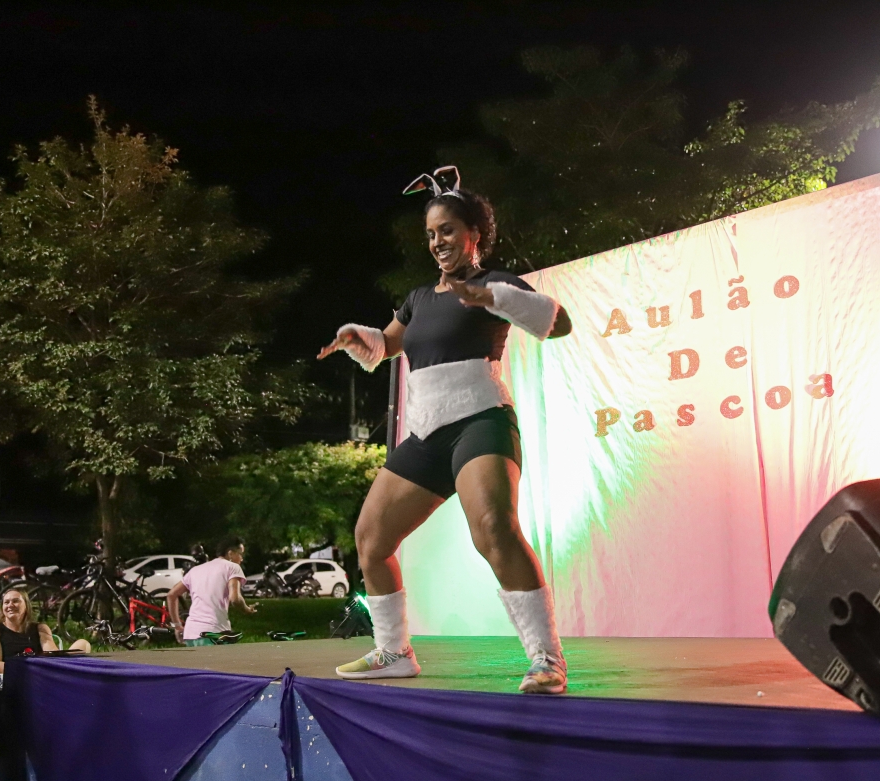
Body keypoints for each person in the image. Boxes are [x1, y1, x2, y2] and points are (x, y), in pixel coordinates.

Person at [317, 166, 574, 694]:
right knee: (370, 540)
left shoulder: (493, 283)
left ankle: (547, 660)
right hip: (426, 433)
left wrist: (494, 298)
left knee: (493, 528)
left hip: (480, 420)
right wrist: (357, 336)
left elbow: (559, 323)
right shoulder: (418, 298)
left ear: (474, 234)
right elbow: (389, 344)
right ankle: (393, 652)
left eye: (448, 230)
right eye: (431, 233)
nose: (438, 241)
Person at [0, 587, 90, 679]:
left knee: (83, 644)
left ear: (26, 606)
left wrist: (52, 664)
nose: (10, 605)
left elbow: (52, 654)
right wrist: (29, 668)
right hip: (13, 678)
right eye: (6, 602)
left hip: (41, 676)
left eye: (15, 601)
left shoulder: (40, 628)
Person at [167, 538, 257, 646]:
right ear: (230, 553)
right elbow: (235, 599)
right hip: (214, 632)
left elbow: (171, 595)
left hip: (191, 633)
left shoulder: (195, 570)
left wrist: (177, 626)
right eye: (240, 554)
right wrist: (246, 609)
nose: (241, 559)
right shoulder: (232, 567)